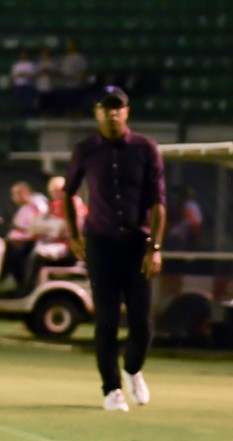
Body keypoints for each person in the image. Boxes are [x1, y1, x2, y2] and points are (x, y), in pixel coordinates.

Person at [63, 86, 166, 412]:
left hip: (137, 243)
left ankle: (133, 369)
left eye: (118, 107)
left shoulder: (145, 149)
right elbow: (68, 193)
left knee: (142, 323)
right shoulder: (86, 150)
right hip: (101, 243)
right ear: (96, 112)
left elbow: (159, 203)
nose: (112, 113)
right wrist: (74, 235)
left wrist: (156, 248)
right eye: (106, 108)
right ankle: (111, 390)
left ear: (127, 111)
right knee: (106, 320)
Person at [0, 181, 48, 294]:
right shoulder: (25, 207)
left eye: (15, 194)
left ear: (23, 193)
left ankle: (22, 288)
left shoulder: (37, 205)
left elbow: (37, 227)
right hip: (21, 241)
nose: (13, 198)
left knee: (11, 254)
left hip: (31, 243)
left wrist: (24, 236)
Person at [10, 49, 37, 117]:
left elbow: (33, 76)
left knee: (28, 102)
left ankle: (28, 116)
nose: (23, 56)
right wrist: (20, 74)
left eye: (24, 54)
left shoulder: (30, 64)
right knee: (19, 103)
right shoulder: (16, 65)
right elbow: (13, 77)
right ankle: (19, 116)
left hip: (28, 85)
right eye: (21, 54)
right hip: (19, 86)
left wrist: (24, 74)